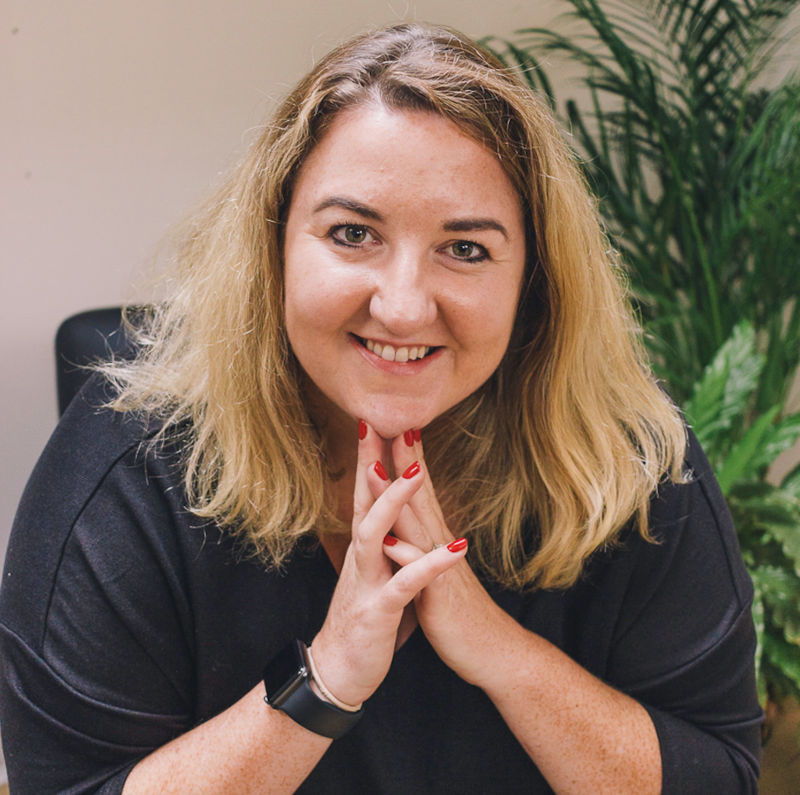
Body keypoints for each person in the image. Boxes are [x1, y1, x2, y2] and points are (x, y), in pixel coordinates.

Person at [0, 22, 762, 795]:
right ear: (275, 246)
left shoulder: (626, 456)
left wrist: (494, 646)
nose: (402, 307)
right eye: (353, 233)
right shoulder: (129, 458)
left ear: (533, 280)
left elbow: (722, 777)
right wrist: (328, 677)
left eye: (465, 248)